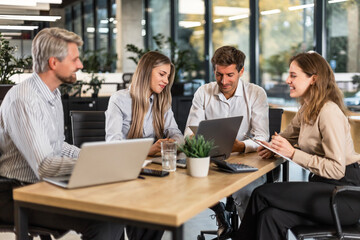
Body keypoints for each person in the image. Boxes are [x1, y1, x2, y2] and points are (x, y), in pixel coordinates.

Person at [0, 28, 124, 239]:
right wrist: (96, 165)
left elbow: (59, 145)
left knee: (116, 208)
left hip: (41, 186)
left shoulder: (53, 94)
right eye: (74, 59)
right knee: (101, 221)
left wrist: (93, 157)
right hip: (14, 192)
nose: (80, 65)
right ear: (53, 63)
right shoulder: (23, 99)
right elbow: (45, 166)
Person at [235, 51, 360, 240]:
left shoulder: (329, 112)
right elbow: (286, 137)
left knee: (261, 194)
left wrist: (292, 154)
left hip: (343, 196)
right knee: (270, 217)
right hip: (323, 188)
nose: (287, 80)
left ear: (313, 79)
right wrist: (272, 146)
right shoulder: (307, 109)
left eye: (293, 75)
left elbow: (336, 169)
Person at [184, 46, 269, 237]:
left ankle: (248, 235)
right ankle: (221, 214)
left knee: (248, 192)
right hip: (209, 159)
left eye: (230, 75)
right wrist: (194, 143)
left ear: (241, 71)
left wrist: (241, 146)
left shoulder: (256, 93)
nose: (224, 81)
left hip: (244, 160)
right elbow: (189, 132)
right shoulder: (203, 93)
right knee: (184, 178)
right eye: (219, 74)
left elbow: (262, 137)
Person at [105, 51, 183, 239]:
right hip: (125, 173)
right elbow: (113, 145)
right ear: (147, 71)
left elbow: (177, 134)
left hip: (151, 171)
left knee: (166, 202)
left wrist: (171, 143)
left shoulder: (162, 101)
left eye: (168, 76)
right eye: (161, 74)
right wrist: (150, 149)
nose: (165, 81)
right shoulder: (120, 100)